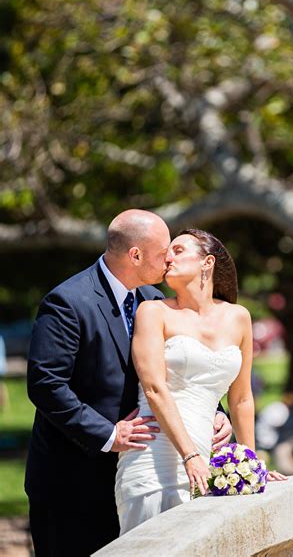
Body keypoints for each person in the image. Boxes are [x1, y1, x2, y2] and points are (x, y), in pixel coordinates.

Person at [25, 210, 232, 557]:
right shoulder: (68, 301)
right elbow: (45, 384)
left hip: (143, 472)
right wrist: (108, 435)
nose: (169, 258)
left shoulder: (154, 301)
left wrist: (216, 411)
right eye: (163, 250)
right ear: (135, 255)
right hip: (73, 480)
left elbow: (180, 368)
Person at [115, 228, 287, 534]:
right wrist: (190, 455)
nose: (168, 257)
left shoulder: (239, 317)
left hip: (209, 463)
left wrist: (250, 463)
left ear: (207, 262)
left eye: (178, 250)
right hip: (154, 460)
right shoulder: (153, 312)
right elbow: (155, 389)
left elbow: (241, 398)